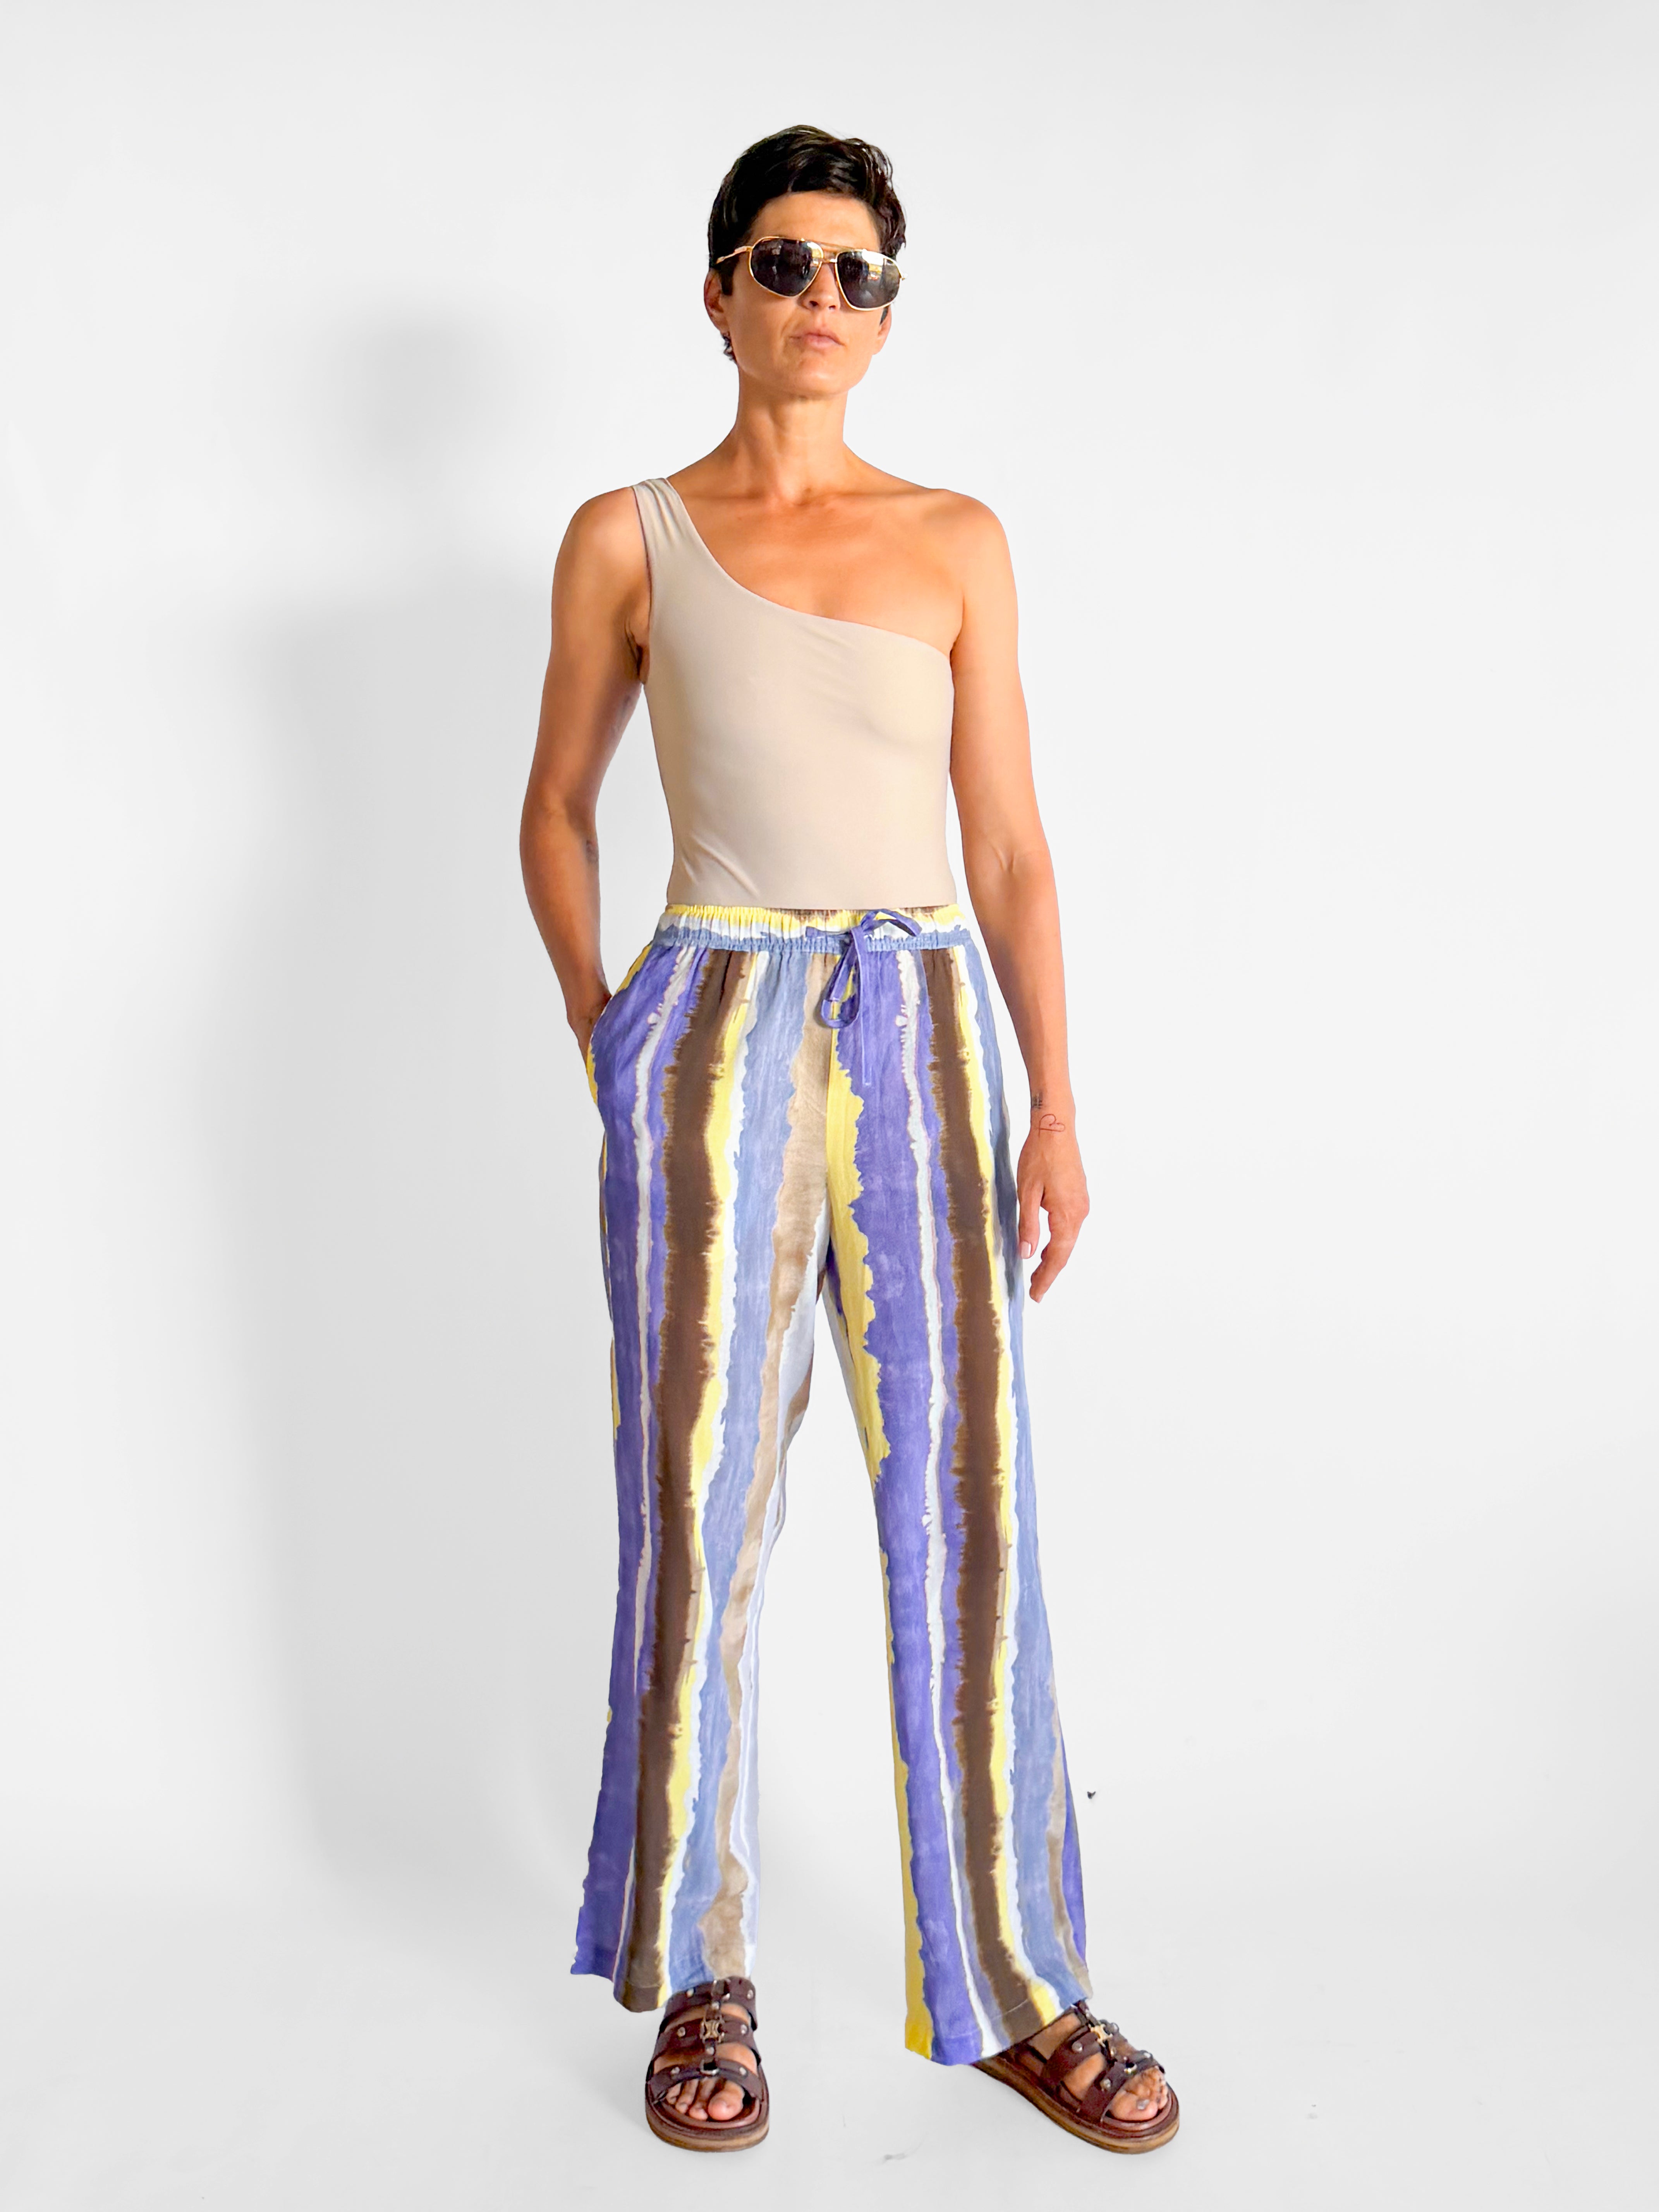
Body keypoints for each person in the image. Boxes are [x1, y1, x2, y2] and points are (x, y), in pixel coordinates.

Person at [520, 124, 1177, 2157]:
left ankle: (1018, 1983)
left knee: (970, 1504)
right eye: (788, 262)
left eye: (859, 273)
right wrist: (609, 1027)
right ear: (720, 291)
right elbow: (555, 806)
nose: (824, 299)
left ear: (888, 314)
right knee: (696, 1507)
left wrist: (1056, 1100)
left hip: (925, 1030)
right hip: (711, 1015)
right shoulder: (627, 536)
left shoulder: (957, 538)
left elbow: (1012, 848)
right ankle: (698, 1971)